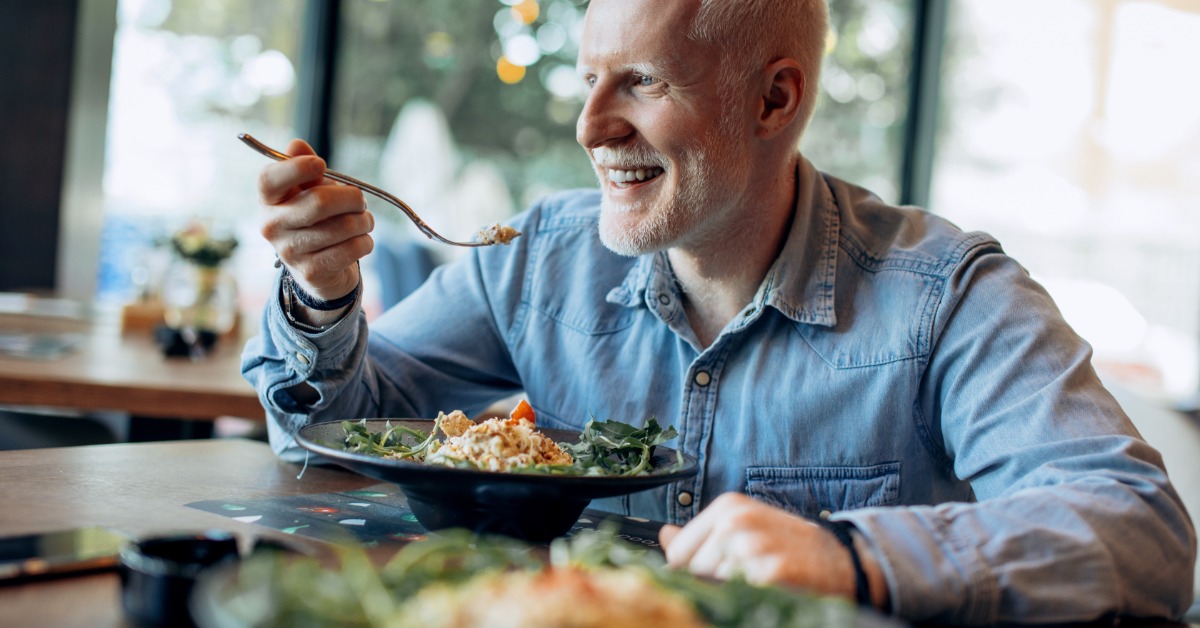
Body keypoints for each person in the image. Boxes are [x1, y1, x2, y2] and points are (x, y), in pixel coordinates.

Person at [242, 0, 1196, 623]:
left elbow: (1143, 534)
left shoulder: (948, 298)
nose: (589, 128)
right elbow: (325, 428)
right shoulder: (535, 258)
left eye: (643, 82)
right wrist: (322, 298)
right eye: (588, 81)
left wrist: (852, 559)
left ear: (775, 98)